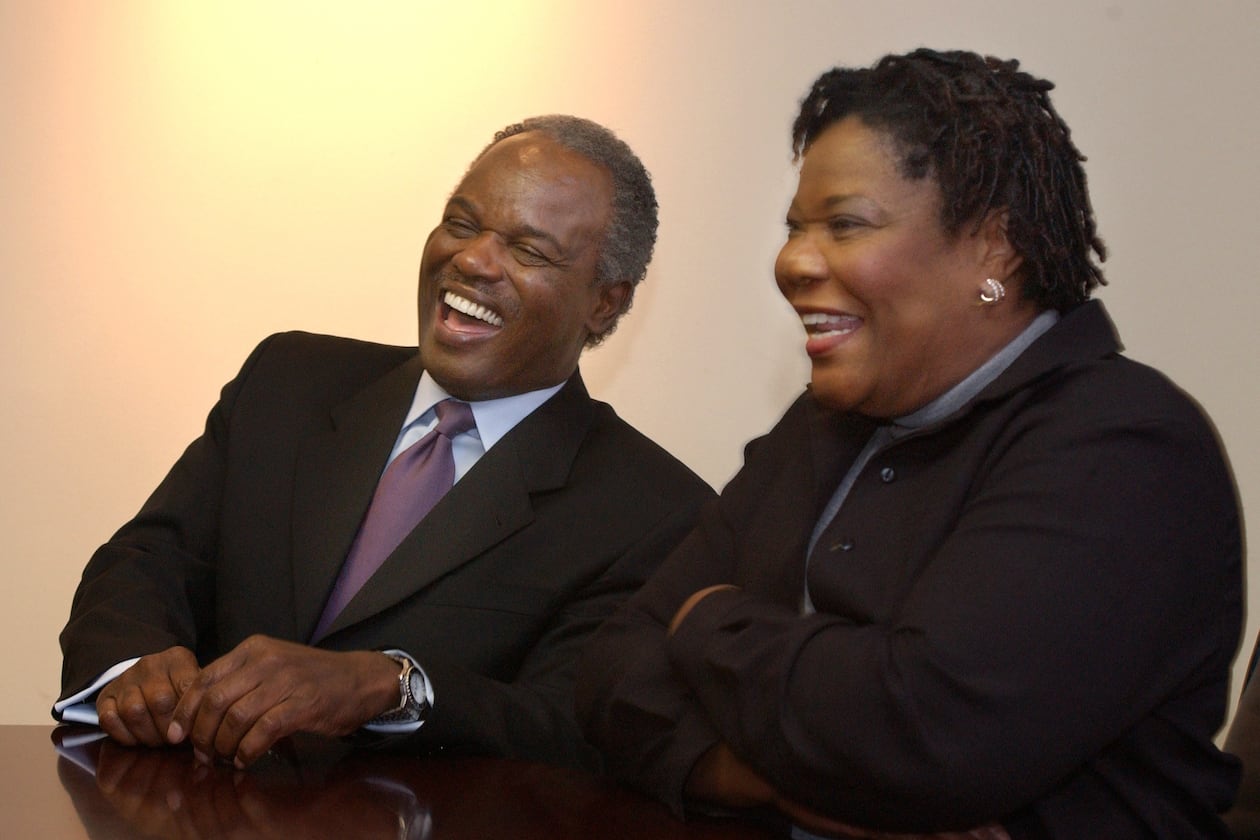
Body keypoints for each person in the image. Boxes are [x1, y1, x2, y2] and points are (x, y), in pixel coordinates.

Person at [575, 49, 1243, 838]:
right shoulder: (821, 426)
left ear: (996, 250)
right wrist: (757, 779)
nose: (793, 261)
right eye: (795, 228)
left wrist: (706, 620)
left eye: (844, 224)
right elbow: (612, 669)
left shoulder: (1125, 446)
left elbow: (920, 740)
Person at [55, 114, 715, 772]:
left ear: (605, 302)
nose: (473, 258)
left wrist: (391, 685)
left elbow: (570, 728)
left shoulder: (656, 513)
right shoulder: (287, 383)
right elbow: (148, 560)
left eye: (528, 250)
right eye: (461, 223)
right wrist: (134, 665)